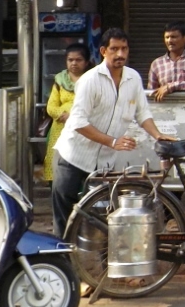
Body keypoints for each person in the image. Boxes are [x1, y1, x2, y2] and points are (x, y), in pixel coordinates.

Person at [51, 28, 176, 237]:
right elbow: (78, 122)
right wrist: (112, 141)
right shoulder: (90, 80)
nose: (120, 54)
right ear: (103, 51)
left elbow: (142, 113)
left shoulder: (133, 78)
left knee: (105, 213)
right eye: (114, 49)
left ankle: (103, 263)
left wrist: (157, 135)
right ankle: (63, 261)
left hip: (104, 162)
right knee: (65, 213)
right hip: (73, 156)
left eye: (124, 49)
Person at [42, 42, 92, 186]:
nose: (74, 63)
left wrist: (74, 117)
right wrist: (63, 114)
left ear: (86, 62)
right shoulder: (59, 80)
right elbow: (51, 107)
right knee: (58, 167)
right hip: (60, 129)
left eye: (78, 60)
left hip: (85, 131)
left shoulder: (92, 80)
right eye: (70, 60)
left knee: (80, 170)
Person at [147, 21, 185, 102]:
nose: (169, 41)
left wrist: (172, 86)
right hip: (167, 111)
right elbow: (151, 94)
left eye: (174, 37)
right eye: (167, 37)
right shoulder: (157, 64)